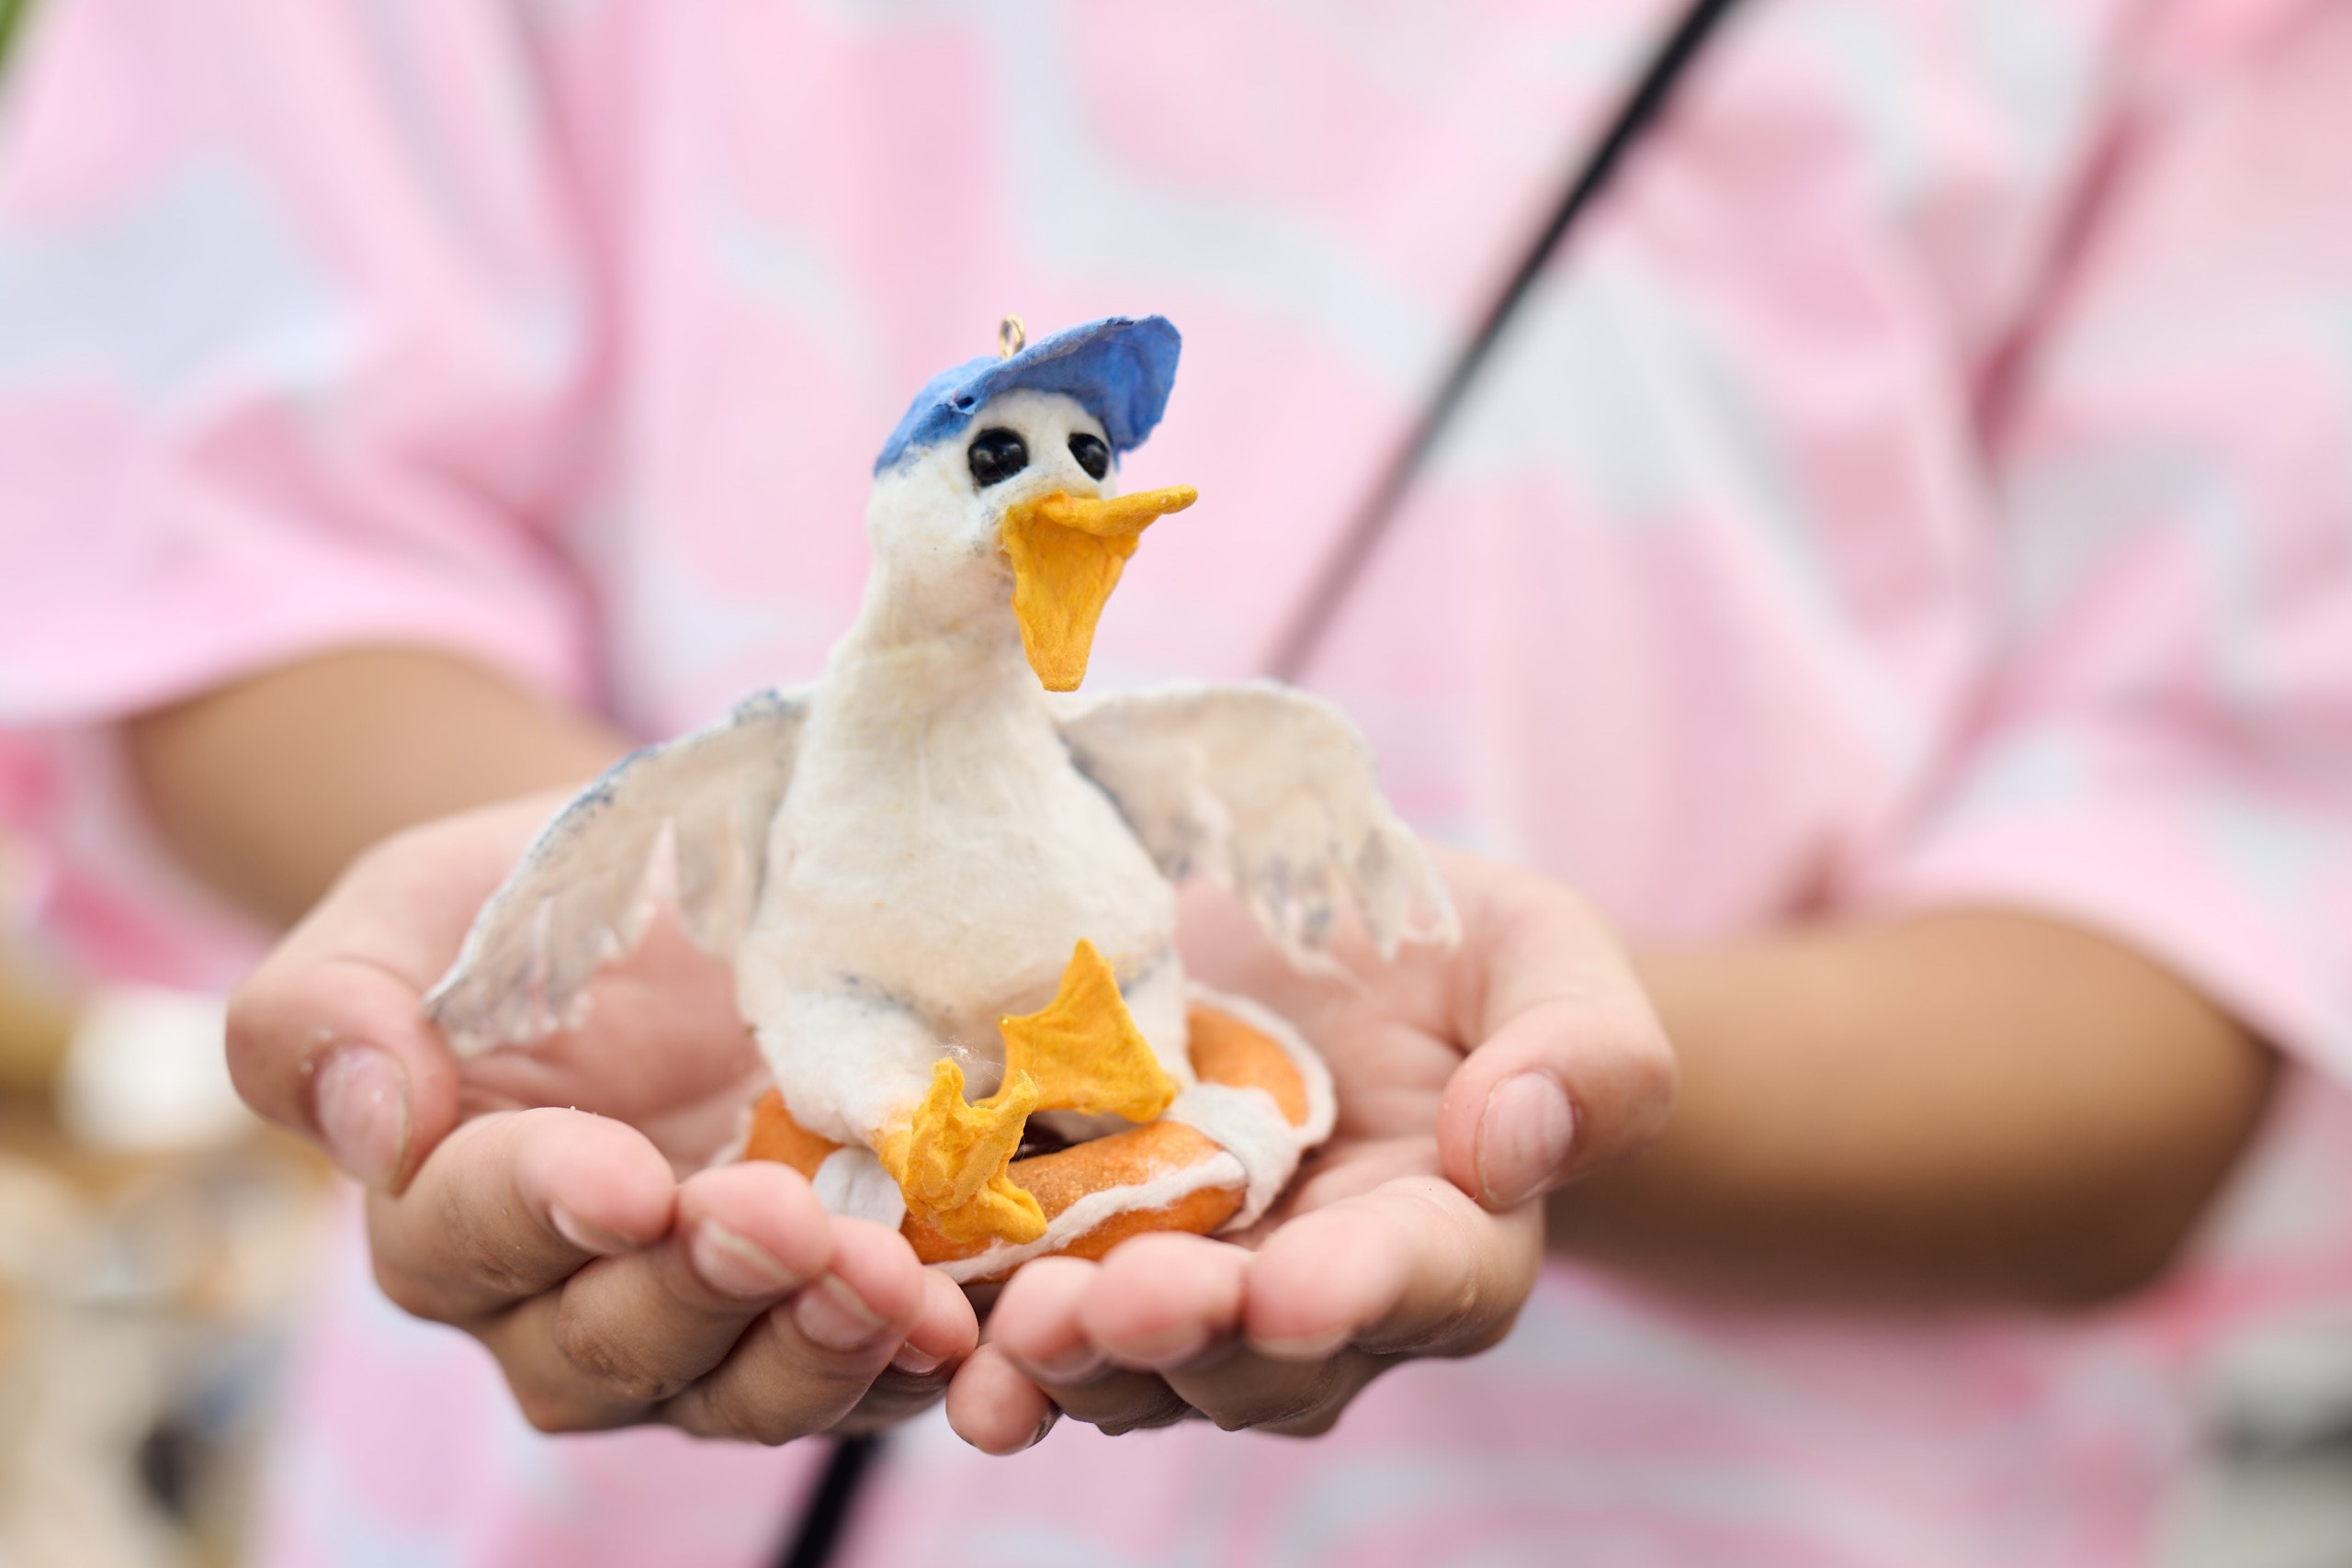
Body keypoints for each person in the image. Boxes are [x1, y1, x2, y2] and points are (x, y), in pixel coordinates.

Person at [3, 1, 2349, 1563]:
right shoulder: (764, 791)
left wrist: (1461, 1040)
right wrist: (636, 997)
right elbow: (214, 533)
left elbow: (2187, 942)